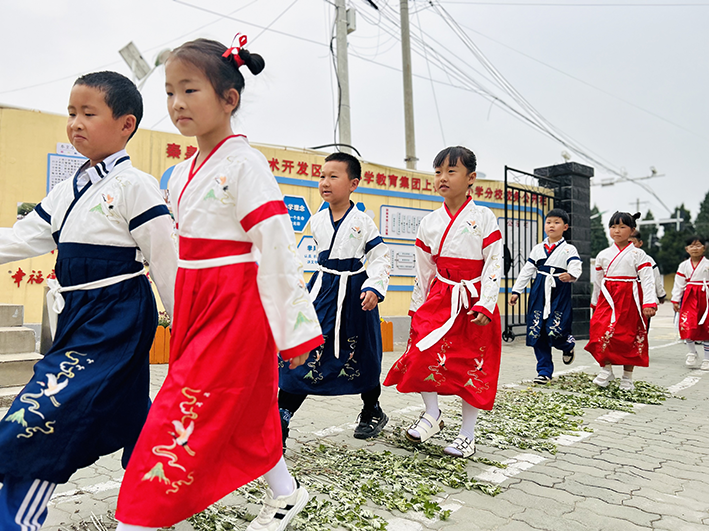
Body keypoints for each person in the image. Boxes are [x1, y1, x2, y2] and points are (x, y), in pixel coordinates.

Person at [114, 37, 323, 531]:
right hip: (196, 304)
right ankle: (288, 493)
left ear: (229, 99)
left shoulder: (246, 165)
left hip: (235, 307)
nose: (177, 104)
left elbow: (275, 247)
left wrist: (293, 331)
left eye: (190, 89)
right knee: (245, 408)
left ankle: (139, 518)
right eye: (169, 92)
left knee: (181, 410)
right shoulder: (180, 173)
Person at [0, 71, 177, 530]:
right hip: (79, 318)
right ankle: (154, 497)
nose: (75, 122)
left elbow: (166, 260)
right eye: (71, 113)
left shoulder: (136, 185)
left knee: (38, 418)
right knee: (117, 409)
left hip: (116, 317)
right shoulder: (68, 188)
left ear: (125, 124)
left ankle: (16, 518)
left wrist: (189, 328)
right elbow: (21, 239)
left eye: (88, 113)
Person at [383, 146, 503, 459]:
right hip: (439, 297)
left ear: (471, 178)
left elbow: (494, 263)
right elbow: (423, 270)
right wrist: (417, 308)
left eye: (451, 171)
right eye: (438, 172)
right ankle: (432, 413)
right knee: (421, 352)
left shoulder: (484, 218)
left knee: (470, 366)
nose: (442, 178)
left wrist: (486, 304)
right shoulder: (430, 223)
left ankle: (467, 433)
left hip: (474, 299)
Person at [278, 152, 391, 448]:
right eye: (321, 176)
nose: (325, 182)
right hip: (323, 289)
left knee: (363, 355)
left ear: (353, 183)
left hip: (356, 295)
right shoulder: (317, 221)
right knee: (305, 347)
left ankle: (372, 410)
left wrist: (374, 287)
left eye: (333, 176)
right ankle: (281, 418)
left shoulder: (363, 222)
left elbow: (380, 257)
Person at [585, 212, 657, 391]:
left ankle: (627, 377)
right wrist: (595, 302)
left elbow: (648, 279)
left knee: (628, 335)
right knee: (600, 330)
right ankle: (606, 369)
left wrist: (649, 303)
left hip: (630, 297)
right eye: (613, 227)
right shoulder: (603, 254)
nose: (617, 231)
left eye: (622, 227)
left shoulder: (639, 254)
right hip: (608, 298)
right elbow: (598, 280)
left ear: (632, 230)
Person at [509, 208, 582, 384]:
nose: (552, 226)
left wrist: (571, 275)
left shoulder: (569, 249)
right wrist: (516, 290)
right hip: (539, 291)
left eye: (557, 223)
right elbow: (527, 270)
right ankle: (544, 371)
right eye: (549, 222)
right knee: (537, 330)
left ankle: (567, 345)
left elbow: (576, 265)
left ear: (565, 227)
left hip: (559, 290)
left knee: (556, 329)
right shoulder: (538, 249)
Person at [670, 235, 709, 369]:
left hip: (706, 298)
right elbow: (679, 283)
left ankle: (707, 359)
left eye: (698, 245)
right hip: (690, 298)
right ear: (687, 249)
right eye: (692, 246)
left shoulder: (708, 264)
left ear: (704, 248)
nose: (695, 248)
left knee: (706, 326)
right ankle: (692, 352)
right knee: (687, 324)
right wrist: (675, 299)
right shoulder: (683, 265)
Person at [629, 229, 667, 305]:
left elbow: (656, 278)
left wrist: (660, 295)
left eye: (633, 243)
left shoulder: (648, 260)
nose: (630, 246)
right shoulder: (617, 259)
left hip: (643, 297)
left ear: (640, 243)